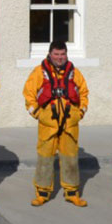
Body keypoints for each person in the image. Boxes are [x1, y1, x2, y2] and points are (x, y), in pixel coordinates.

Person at [21, 40, 88, 207]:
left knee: (70, 159)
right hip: (48, 124)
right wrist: (37, 113)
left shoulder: (75, 73)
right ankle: (42, 193)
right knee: (45, 159)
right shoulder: (39, 72)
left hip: (69, 124)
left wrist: (80, 113)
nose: (59, 57)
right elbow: (28, 95)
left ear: (67, 54)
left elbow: (84, 93)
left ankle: (72, 192)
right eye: (56, 54)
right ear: (50, 54)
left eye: (62, 54)